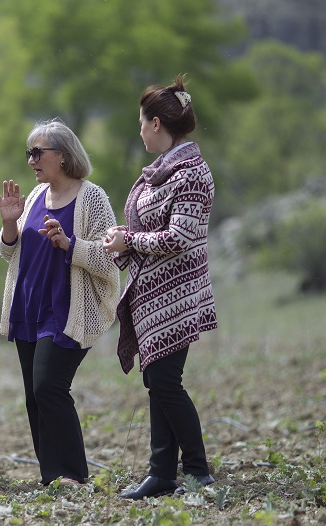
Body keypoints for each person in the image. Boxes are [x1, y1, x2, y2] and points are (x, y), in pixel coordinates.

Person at [103, 75, 217, 499]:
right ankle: (162, 473)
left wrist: (130, 241)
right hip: (153, 298)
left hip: (178, 298)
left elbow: (180, 237)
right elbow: (153, 230)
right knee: (157, 380)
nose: (139, 131)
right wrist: (123, 238)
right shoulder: (161, 173)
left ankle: (198, 471)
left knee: (166, 382)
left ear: (156, 124)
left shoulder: (191, 174)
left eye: (141, 123)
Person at [0, 119, 120, 486]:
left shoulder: (92, 198)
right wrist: (9, 225)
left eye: (37, 153)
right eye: (28, 153)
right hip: (27, 307)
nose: (30, 161)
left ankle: (73, 474)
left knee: (49, 386)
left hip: (66, 311)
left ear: (63, 156)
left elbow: (109, 258)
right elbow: (9, 252)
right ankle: (52, 477)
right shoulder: (35, 197)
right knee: (35, 396)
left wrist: (69, 244)